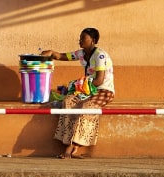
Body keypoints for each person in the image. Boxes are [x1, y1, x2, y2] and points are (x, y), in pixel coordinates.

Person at [40, 28, 115, 159]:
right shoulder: (81, 54)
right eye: (80, 38)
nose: (80, 41)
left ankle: (71, 147)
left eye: (83, 38)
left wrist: (79, 87)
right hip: (88, 89)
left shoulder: (99, 55)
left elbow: (98, 81)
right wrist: (51, 52)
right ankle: (68, 142)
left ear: (93, 40)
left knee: (86, 108)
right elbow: (62, 56)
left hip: (102, 90)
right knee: (68, 102)